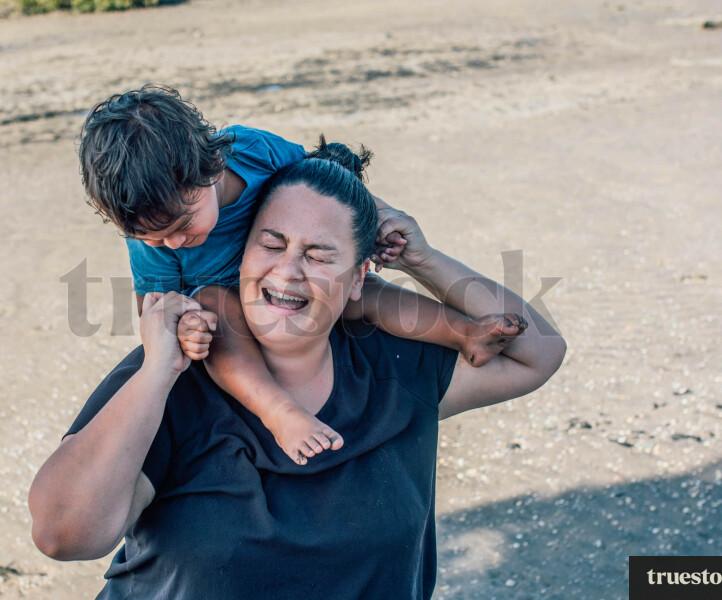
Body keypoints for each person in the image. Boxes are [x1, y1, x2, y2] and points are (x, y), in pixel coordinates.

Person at [29, 146, 566, 598]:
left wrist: (420, 258)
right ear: (241, 252)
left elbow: (537, 352)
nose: (287, 271)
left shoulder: (392, 365)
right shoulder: (176, 371)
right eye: (271, 243)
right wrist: (155, 373)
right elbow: (64, 534)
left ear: (360, 280)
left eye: (319, 254)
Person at [79, 84, 525, 464]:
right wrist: (186, 323)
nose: (172, 245)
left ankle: (465, 332)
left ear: (210, 166)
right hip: (230, 304)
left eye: (180, 226)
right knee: (218, 305)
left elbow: (325, 181)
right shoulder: (150, 238)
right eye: (154, 239)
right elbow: (155, 310)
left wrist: (376, 220)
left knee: (368, 291)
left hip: (298, 272)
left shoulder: (254, 151)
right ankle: (279, 413)